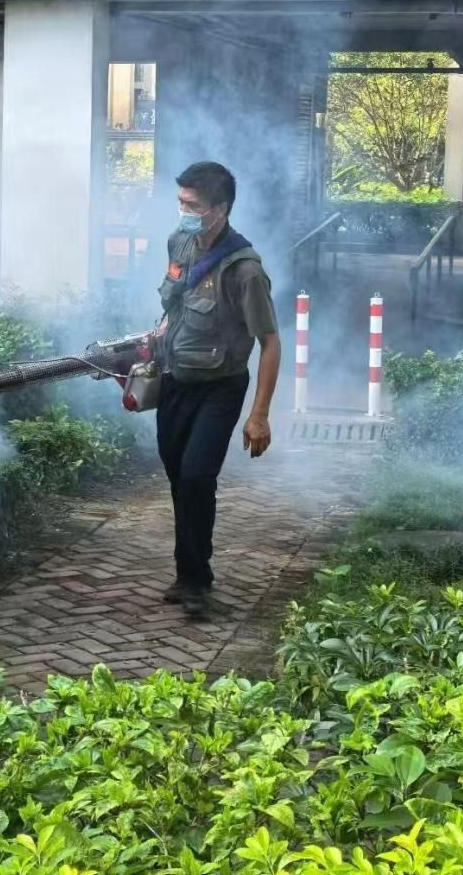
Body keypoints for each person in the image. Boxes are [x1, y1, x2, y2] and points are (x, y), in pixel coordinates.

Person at [155, 161, 281, 618]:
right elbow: (175, 302)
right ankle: (186, 573)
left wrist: (259, 415)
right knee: (178, 476)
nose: (184, 212)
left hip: (220, 387)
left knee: (196, 475)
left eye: (193, 205)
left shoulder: (245, 270)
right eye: (181, 202)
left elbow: (270, 342)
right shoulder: (179, 243)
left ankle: (197, 580)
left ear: (221, 209)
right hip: (175, 381)